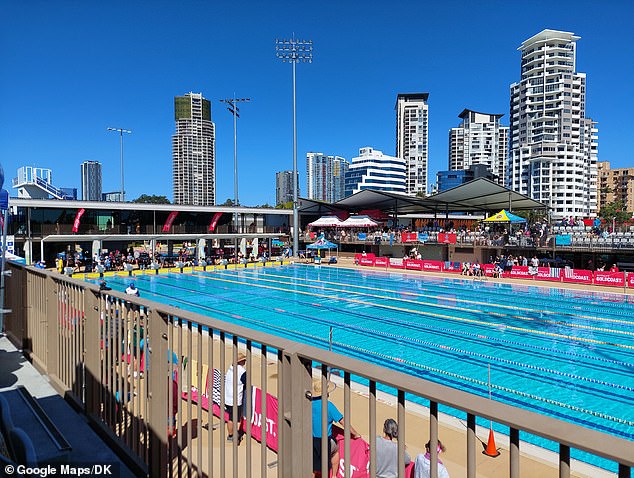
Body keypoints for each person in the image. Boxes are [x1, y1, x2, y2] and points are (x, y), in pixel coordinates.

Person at [311, 378, 361, 478]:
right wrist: (355, 434)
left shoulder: (309, 403)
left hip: (312, 440)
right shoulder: (329, 406)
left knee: (314, 467)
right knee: (335, 450)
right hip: (325, 442)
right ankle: (334, 475)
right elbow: (343, 422)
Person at [224, 352, 247, 444]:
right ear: (241, 361)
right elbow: (246, 383)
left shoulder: (230, 368)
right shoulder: (242, 372)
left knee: (230, 418)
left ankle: (230, 435)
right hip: (236, 399)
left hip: (227, 397)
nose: (245, 361)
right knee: (237, 420)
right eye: (244, 360)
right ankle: (236, 437)